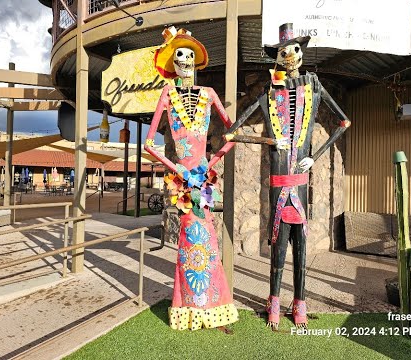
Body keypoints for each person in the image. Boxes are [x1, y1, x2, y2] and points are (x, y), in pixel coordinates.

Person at [225, 23, 351, 330]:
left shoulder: (315, 86)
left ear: (301, 52)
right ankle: (274, 303)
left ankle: (300, 306)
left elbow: (344, 122)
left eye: (295, 49)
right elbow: (231, 132)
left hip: (301, 184)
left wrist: (316, 156)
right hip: (279, 185)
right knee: (279, 248)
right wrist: (270, 141)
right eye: (285, 51)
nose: (291, 55)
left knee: (302, 249)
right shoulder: (271, 92)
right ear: (278, 57)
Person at [145, 26, 238, 332]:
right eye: (179, 54)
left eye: (189, 54)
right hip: (181, 178)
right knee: (187, 237)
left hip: (204, 176)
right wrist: (177, 168)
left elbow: (232, 134)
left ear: (197, 61)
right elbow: (149, 144)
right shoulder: (167, 94)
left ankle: (212, 305)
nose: (183, 59)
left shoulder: (209, 95)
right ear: (172, 62)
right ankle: (188, 307)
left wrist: (211, 160)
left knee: (208, 234)